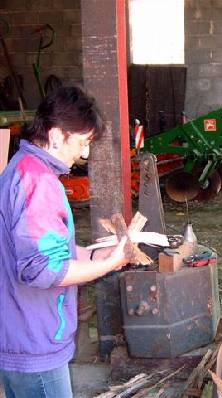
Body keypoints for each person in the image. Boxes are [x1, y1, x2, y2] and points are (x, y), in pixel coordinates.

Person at [0, 86, 129, 398]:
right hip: (35, 343)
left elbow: (34, 249)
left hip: (18, 333)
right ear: (57, 135)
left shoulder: (21, 167)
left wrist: (91, 255)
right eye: (82, 142)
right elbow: (41, 270)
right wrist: (110, 265)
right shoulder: (39, 183)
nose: (84, 154)